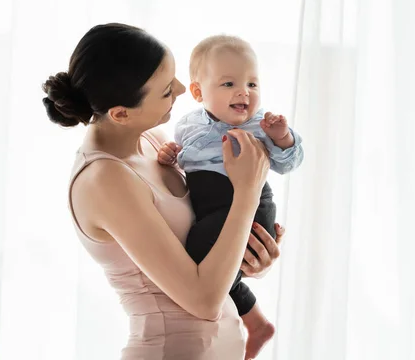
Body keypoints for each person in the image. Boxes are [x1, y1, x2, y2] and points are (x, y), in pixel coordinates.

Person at [42, 23, 285, 360]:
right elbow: (203, 300)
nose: (184, 89)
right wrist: (248, 193)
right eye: (167, 90)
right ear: (121, 113)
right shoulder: (104, 180)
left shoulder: (151, 141)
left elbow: (212, 247)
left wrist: (253, 260)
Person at [157, 35, 303, 358]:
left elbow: (289, 161)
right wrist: (171, 154)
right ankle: (257, 323)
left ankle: (255, 322)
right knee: (207, 261)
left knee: (199, 256)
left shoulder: (260, 125)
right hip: (212, 208)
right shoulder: (186, 126)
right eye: (229, 84)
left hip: (250, 208)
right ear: (198, 92)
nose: (244, 92)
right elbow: (186, 160)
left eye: (252, 83)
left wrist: (282, 137)